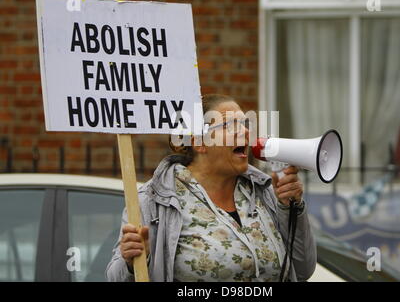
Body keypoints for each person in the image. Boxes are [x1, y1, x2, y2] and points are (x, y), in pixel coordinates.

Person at [106, 94, 316, 282]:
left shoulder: (265, 192)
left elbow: (303, 269)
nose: (245, 132)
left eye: (245, 124)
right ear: (199, 142)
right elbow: (115, 278)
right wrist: (130, 263)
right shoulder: (154, 200)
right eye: (231, 125)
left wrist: (290, 209)